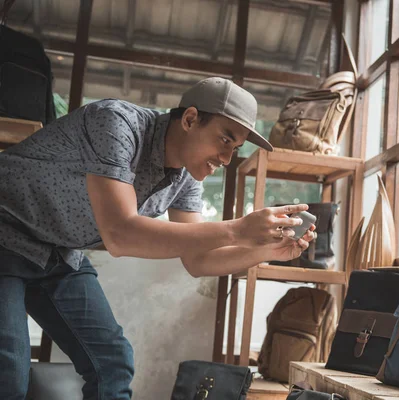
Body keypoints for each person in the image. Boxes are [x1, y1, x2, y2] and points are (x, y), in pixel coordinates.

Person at [0, 77, 315, 399]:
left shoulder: (186, 177)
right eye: (224, 140)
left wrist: (266, 250)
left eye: (235, 149)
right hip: (5, 232)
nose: (225, 159)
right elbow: (120, 234)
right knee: (8, 370)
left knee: (112, 363)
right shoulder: (115, 122)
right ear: (190, 119)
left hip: (58, 251)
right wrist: (238, 229)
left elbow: (198, 260)